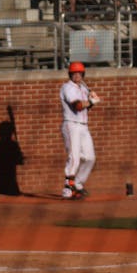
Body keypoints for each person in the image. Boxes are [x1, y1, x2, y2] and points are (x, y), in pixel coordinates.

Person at [60, 61, 100, 199]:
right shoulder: (67, 87)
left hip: (83, 125)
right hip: (71, 125)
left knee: (90, 158)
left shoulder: (83, 88)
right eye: (74, 73)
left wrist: (91, 100)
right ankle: (68, 190)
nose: (77, 75)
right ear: (70, 74)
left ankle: (77, 184)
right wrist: (91, 102)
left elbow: (85, 108)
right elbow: (77, 105)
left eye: (79, 73)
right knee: (74, 158)